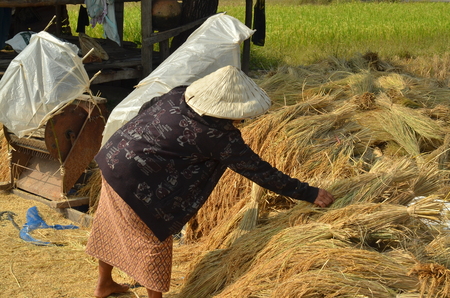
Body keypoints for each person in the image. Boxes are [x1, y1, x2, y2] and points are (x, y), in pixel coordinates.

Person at [85, 65, 335, 298]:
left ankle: (104, 284)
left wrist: (151, 145)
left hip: (114, 157)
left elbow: (147, 107)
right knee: (154, 241)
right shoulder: (218, 136)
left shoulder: (178, 95)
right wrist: (309, 193)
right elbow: (260, 172)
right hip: (138, 179)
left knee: (109, 222)